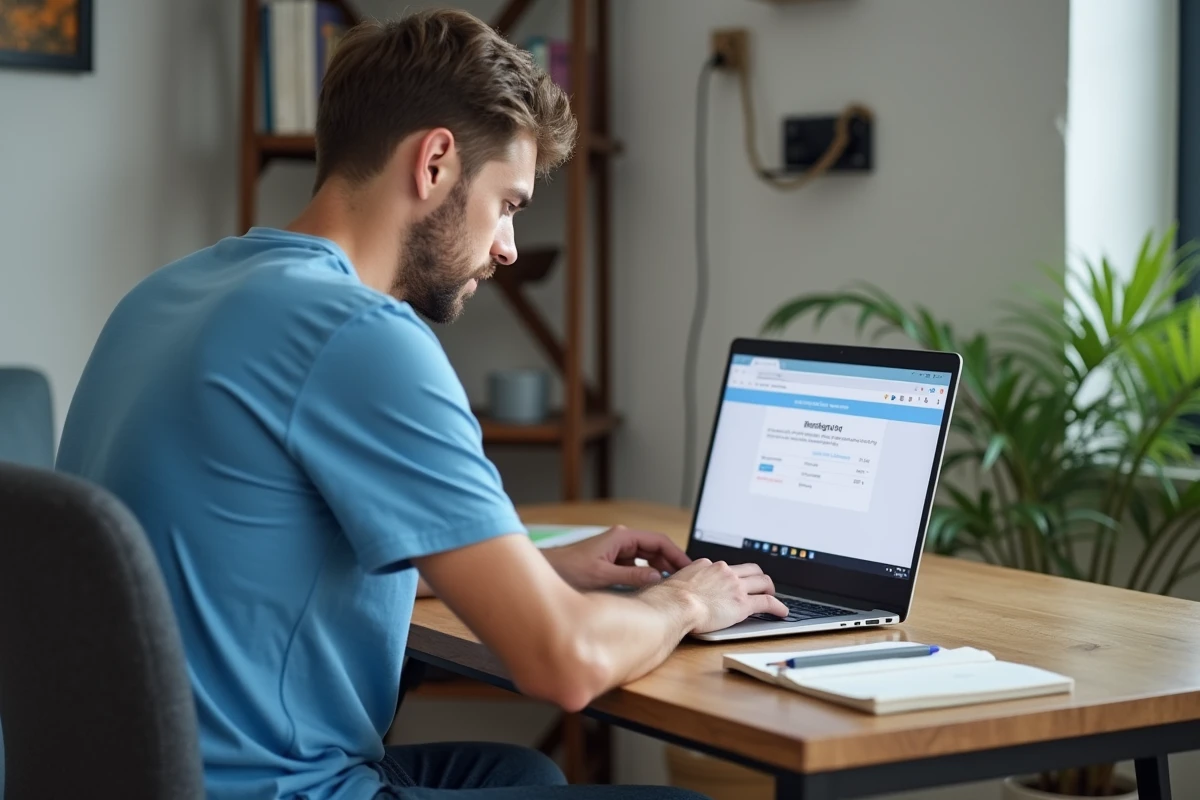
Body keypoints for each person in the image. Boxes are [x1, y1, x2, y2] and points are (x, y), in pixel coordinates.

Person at [55, 8, 787, 800]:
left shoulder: (170, 293)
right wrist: (687, 600)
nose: (507, 246)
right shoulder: (360, 336)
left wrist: (541, 572)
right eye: (507, 203)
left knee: (520, 774)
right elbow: (565, 662)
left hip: (130, 776)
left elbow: (250, 563)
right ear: (435, 161)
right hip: (278, 791)